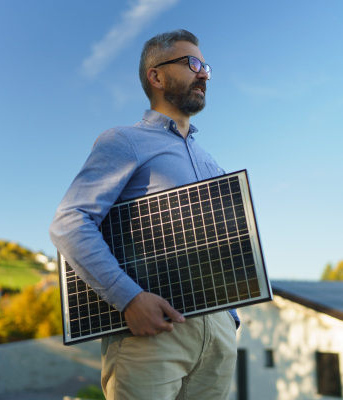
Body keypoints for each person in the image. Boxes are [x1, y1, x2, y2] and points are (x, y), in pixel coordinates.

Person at [49, 29, 238, 400]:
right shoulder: (124, 141)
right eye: (192, 64)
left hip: (218, 337)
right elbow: (69, 222)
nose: (203, 74)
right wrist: (129, 298)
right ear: (156, 75)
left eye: (206, 68)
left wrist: (229, 319)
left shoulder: (211, 162)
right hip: (153, 332)